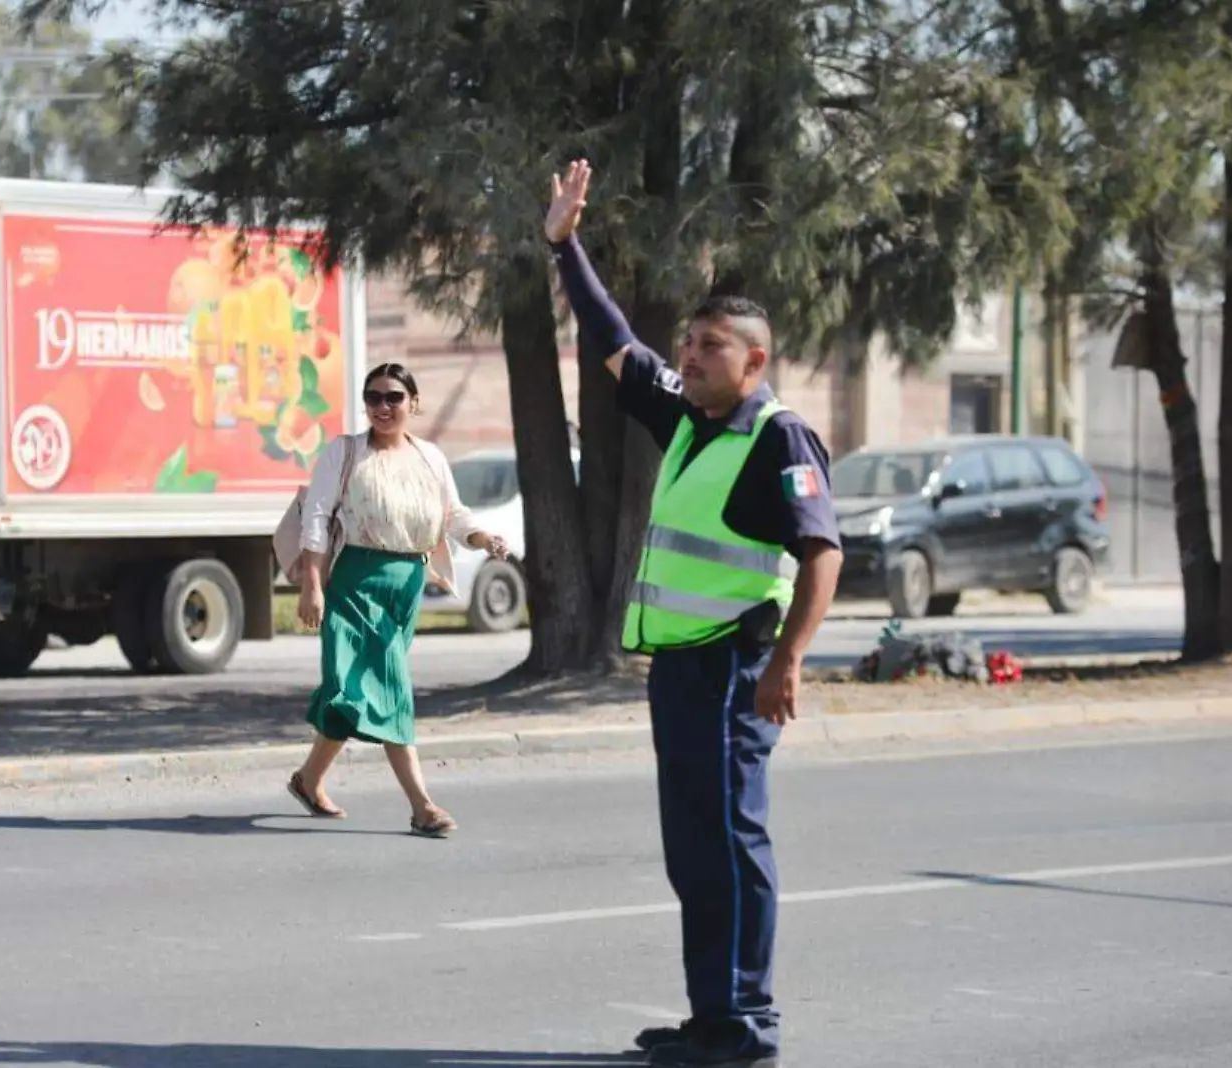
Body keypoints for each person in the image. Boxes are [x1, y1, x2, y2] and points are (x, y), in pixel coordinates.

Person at [545, 159, 843, 1067]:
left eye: (712, 345)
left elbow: (822, 550)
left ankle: (745, 1023)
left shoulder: (775, 435)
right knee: (693, 848)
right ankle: (710, 1013)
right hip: (679, 669)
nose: (690, 355)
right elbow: (612, 338)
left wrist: (789, 662)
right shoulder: (686, 418)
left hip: (733, 669)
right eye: (691, 342)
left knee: (730, 839)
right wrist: (564, 245)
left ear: (754, 361)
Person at [285, 363, 511, 837]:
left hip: (406, 585)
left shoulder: (429, 457)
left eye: (393, 398)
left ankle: (308, 780)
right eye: (373, 398)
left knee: (354, 690)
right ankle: (422, 805)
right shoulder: (344, 453)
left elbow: (453, 515)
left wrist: (482, 538)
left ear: (414, 403)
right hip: (355, 583)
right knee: (389, 688)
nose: (382, 407)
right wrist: (311, 583)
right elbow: (318, 518)